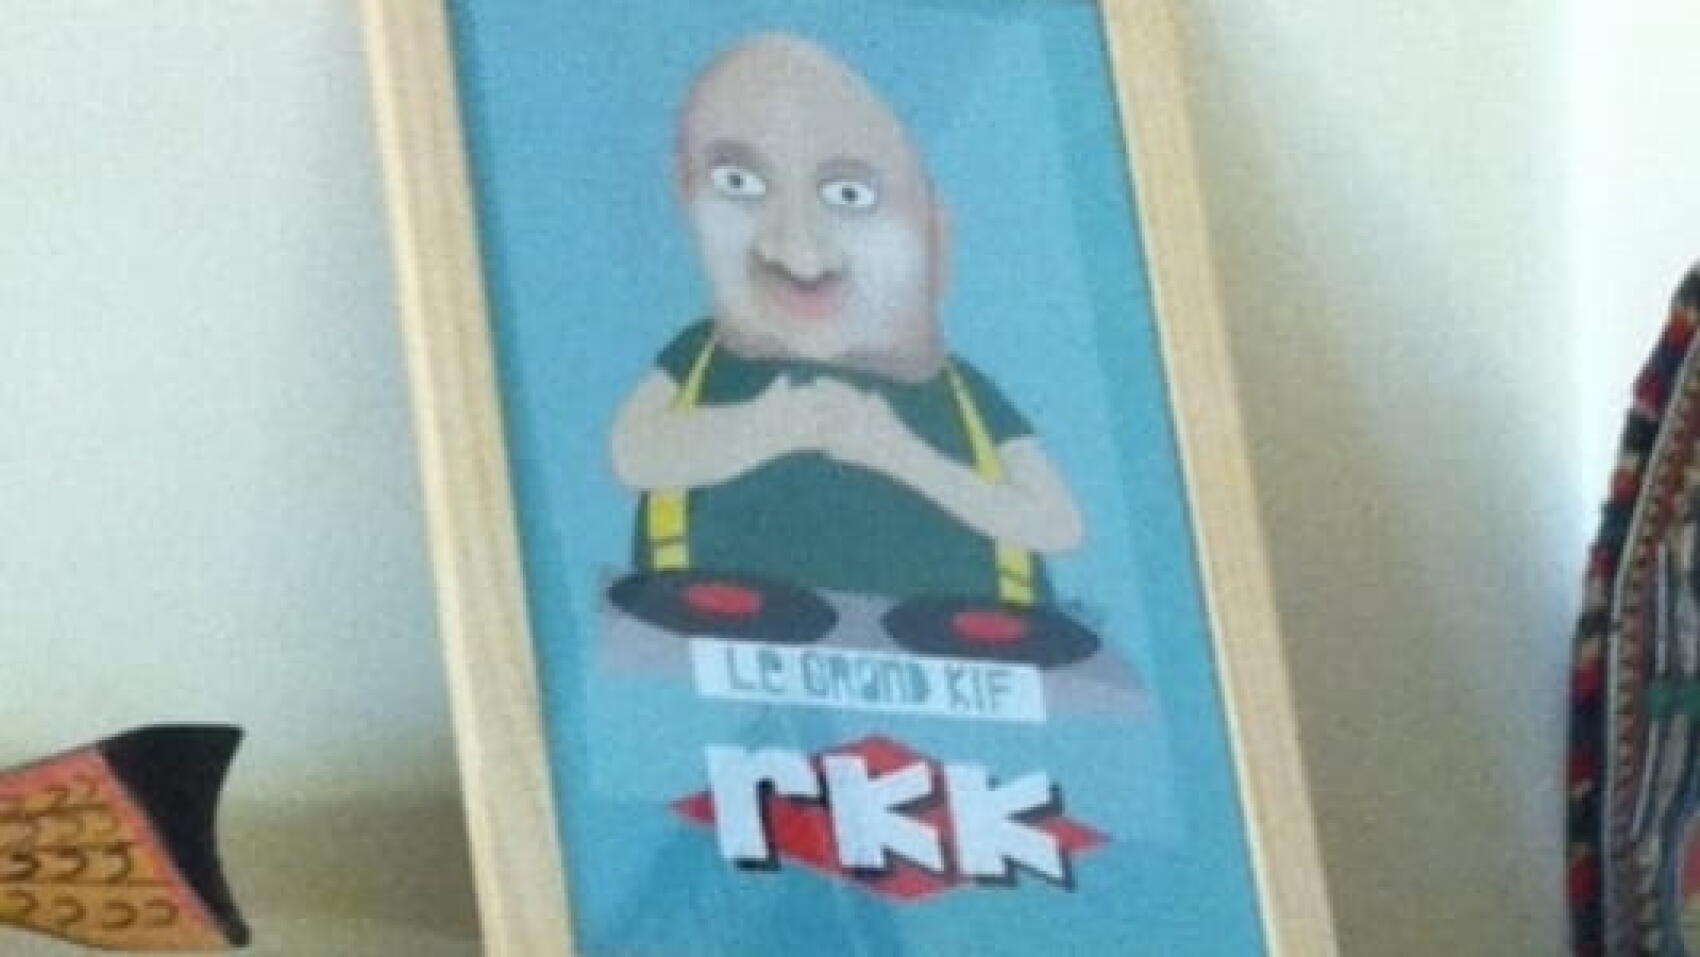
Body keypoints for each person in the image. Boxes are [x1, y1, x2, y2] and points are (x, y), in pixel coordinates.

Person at [610, 33, 1083, 608]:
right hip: (714, 633)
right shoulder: (702, 359)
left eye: (850, 195)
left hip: (962, 646)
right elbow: (634, 454)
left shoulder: (966, 397)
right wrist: (772, 427)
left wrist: (897, 453)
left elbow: (1057, 524)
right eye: (739, 184)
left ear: (937, 237)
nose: (798, 251)